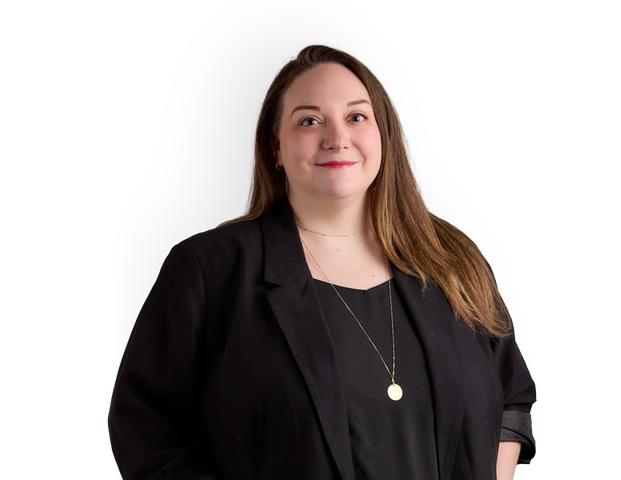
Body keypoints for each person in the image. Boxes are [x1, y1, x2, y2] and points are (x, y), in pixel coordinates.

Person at [108, 42, 536, 480]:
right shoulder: (209, 270)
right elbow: (147, 429)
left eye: (356, 117)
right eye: (309, 121)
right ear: (276, 147)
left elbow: (512, 399)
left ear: (384, 135)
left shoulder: (451, 258)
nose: (336, 138)